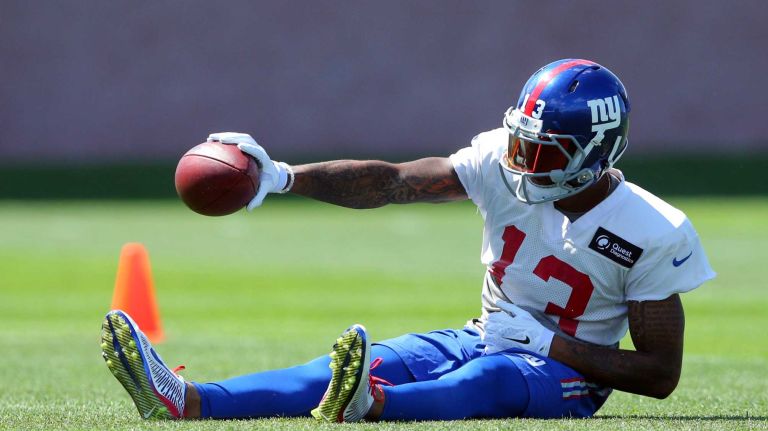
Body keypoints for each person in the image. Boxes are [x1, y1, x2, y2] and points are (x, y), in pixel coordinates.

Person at [100, 59, 715, 422]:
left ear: (596, 151)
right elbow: (394, 182)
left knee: (490, 383)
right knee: (359, 363)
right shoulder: (501, 161)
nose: (522, 161)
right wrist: (284, 178)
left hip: (567, 373)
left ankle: (376, 407)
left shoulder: (652, 230)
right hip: (485, 331)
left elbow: (659, 374)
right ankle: (189, 402)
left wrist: (547, 342)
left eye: (542, 150)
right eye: (520, 142)